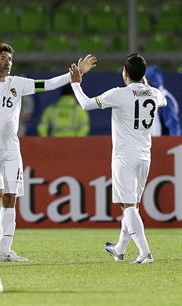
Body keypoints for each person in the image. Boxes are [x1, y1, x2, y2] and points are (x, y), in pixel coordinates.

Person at [0, 42, 97, 262]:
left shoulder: (18, 84)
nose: (7, 64)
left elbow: (50, 84)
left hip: (11, 149)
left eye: (10, 60)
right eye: (3, 59)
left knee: (10, 198)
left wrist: (75, 74)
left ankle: (5, 252)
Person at [69, 53, 166, 264]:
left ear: (125, 73)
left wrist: (76, 84)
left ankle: (145, 253)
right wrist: (145, 85)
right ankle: (119, 249)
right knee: (131, 206)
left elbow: (86, 104)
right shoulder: (155, 94)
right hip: (144, 157)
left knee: (128, 206)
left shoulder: (119, 94)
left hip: (125, 156)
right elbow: (163, 101)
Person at [145, 65, 181, 136]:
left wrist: (175, 144)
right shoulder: (147, 97)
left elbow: (173, 125)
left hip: (162, 143)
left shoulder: (164, 99)